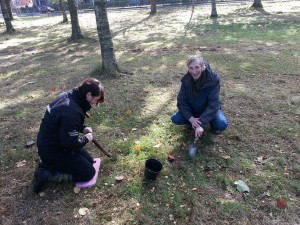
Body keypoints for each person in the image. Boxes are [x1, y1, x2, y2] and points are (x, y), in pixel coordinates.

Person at [33, 78, 104, 194]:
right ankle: (46, 175)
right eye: (95, 100)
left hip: (56, 143)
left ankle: (47, 164)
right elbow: (69, 143)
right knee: (88, 173)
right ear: (89, 94)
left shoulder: (68, 96)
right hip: (53, 151)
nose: (94, 104)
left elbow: (65, 124)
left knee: (90, 161)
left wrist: (82, 128)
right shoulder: (71, 111)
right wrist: (86, 139)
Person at [171, 55, 228, 139]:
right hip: (193, 110)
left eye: (197, 67)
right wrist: (191, 119)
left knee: (221, 124)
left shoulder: (213, 79)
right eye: (191, 68)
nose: (194, 72)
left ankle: (213, 125)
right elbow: (181, 102)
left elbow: (214, 104)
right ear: (188, 69)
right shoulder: (186, 80)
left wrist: (201, 123)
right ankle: (192, 124)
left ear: (202, 67)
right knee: (176, 118)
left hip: (208, 109)